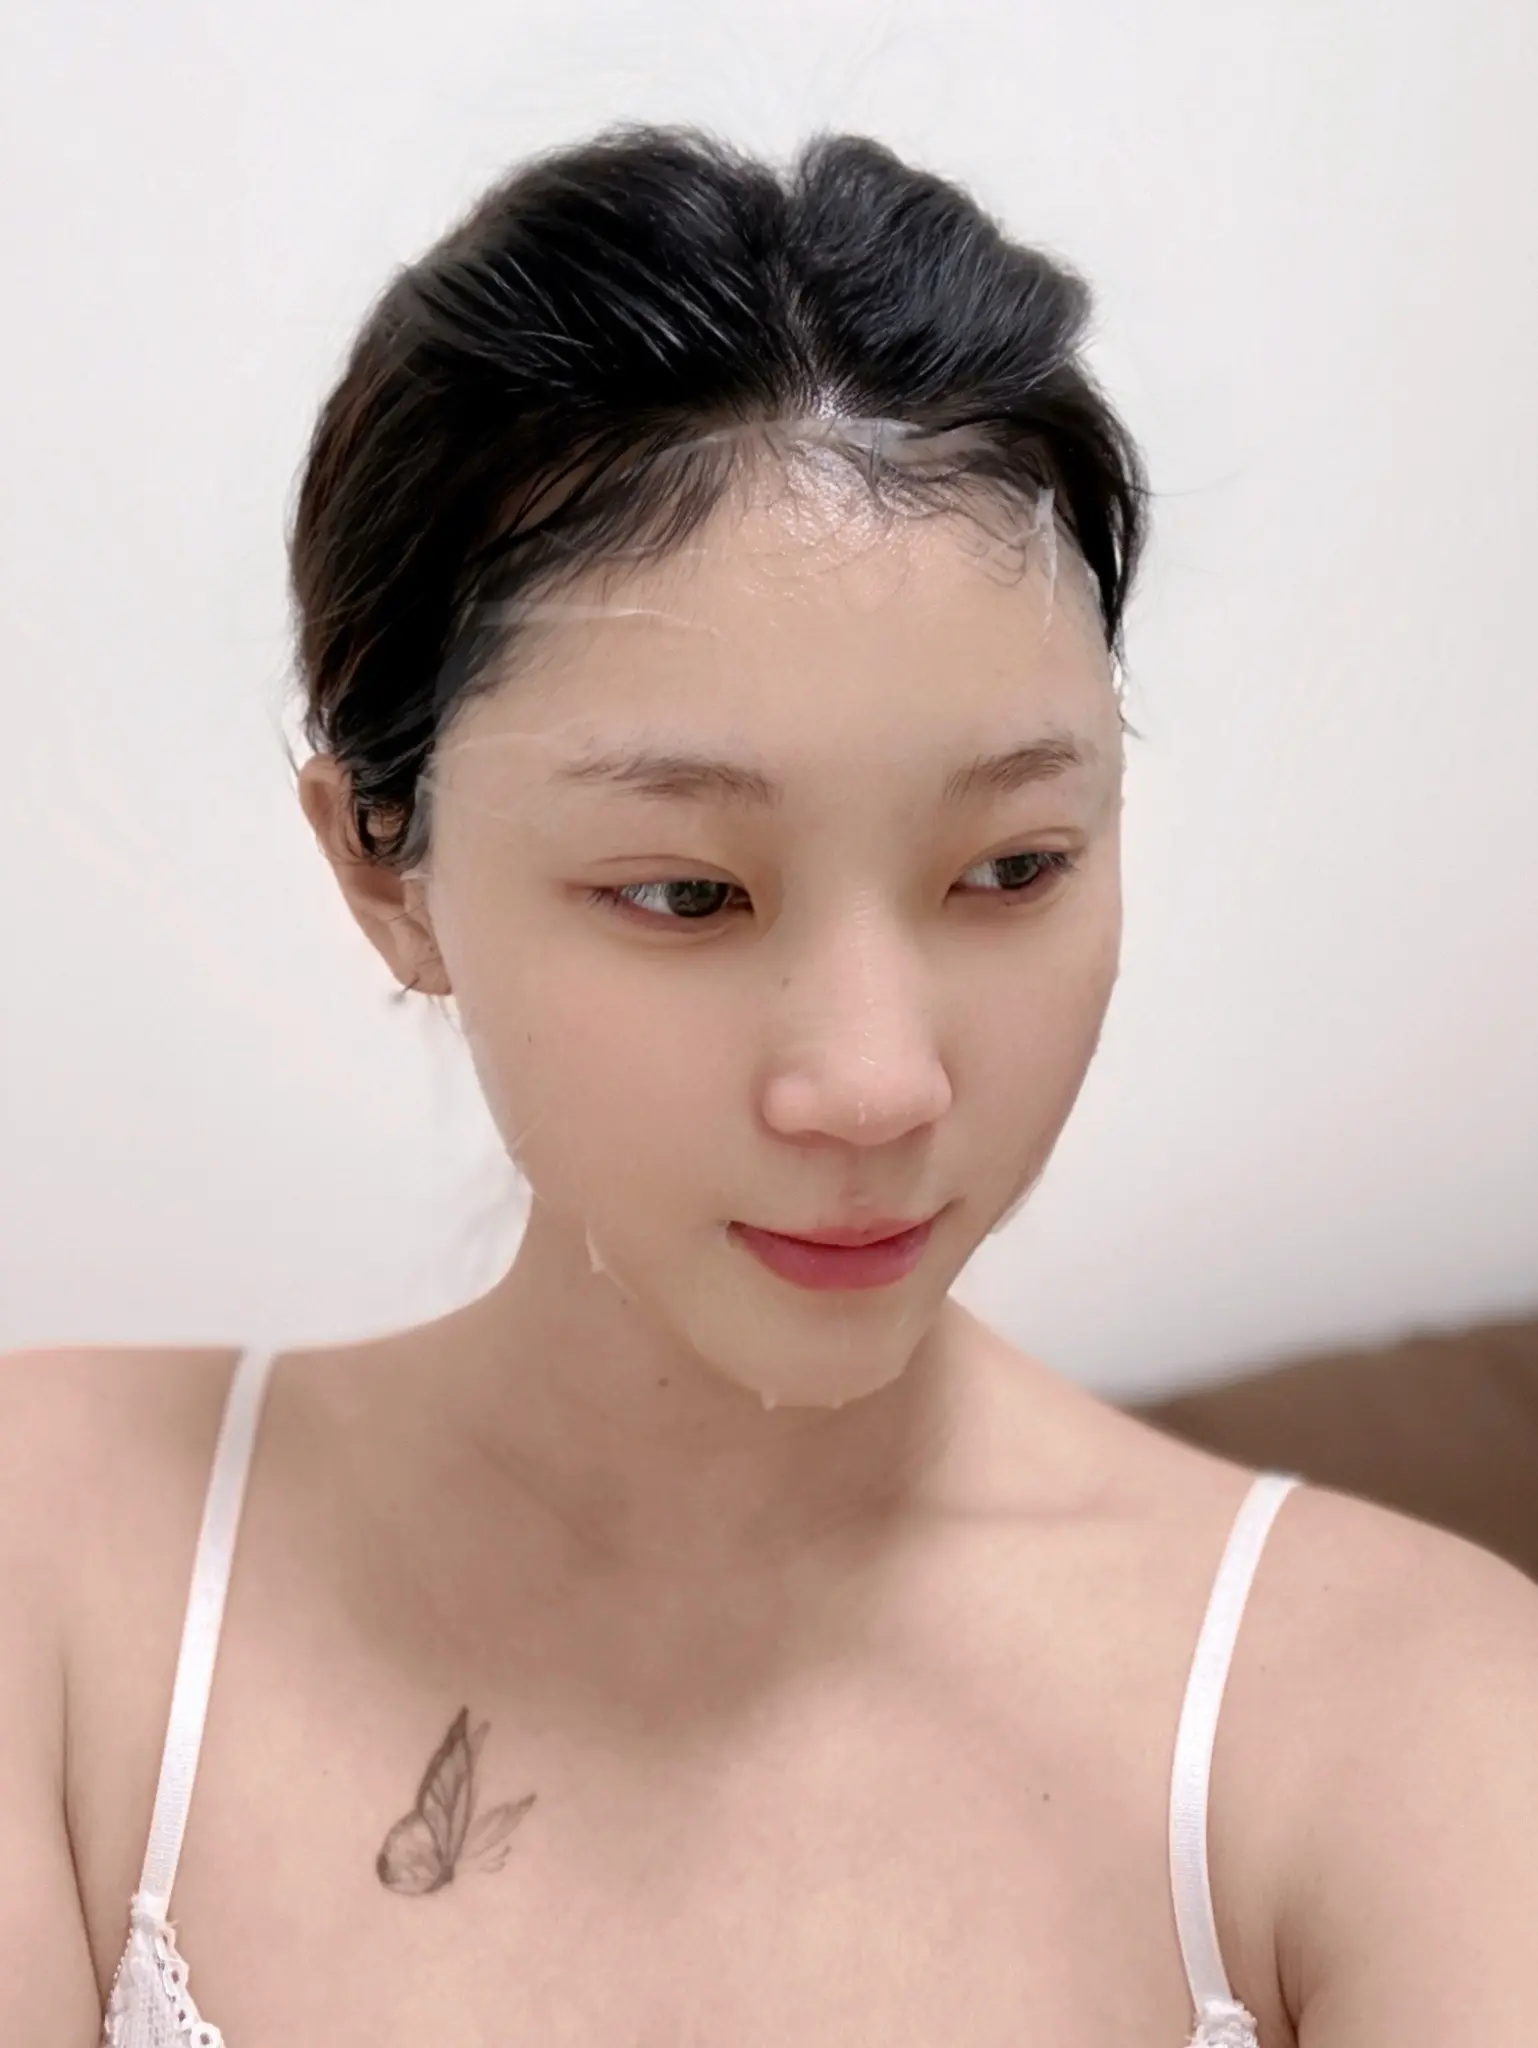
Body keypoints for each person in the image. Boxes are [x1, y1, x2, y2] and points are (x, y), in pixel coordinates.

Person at [3, 124, 1535, 2048]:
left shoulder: (1409, 1725)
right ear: (386, 869)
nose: (875, 1087)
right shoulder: (55, 1565)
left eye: (1011, 868)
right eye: (686, 894)